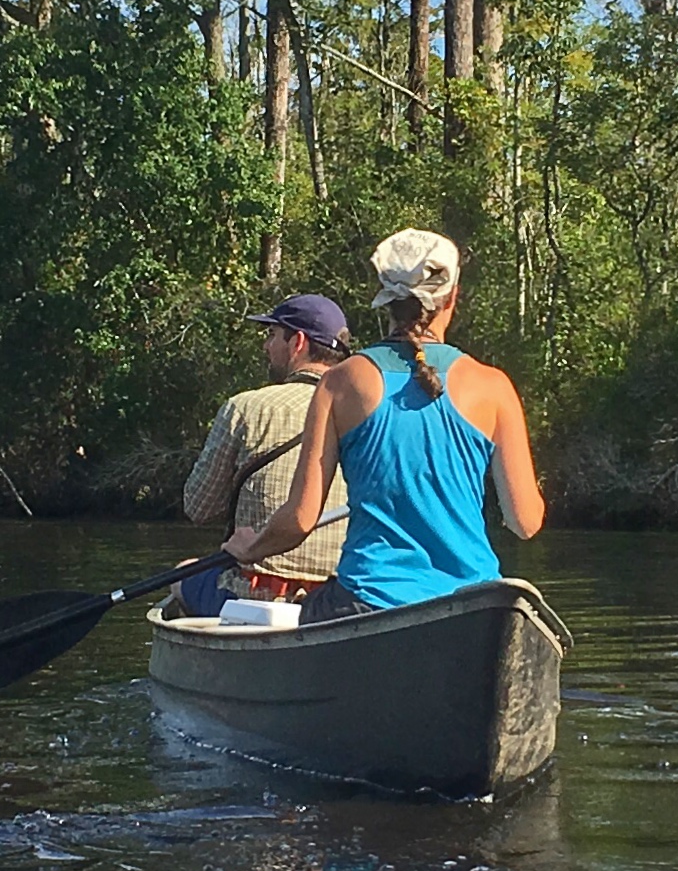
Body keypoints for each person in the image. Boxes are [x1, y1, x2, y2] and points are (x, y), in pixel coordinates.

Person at [210, 228, 544, 622]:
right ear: (453, 296)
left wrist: (251, 547)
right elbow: (525, 522)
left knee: (229, 598)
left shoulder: (340, 382)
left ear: (385, 298)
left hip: (366, 600)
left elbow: (299, 520)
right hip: (472, 605)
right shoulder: (494, 386)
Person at [173, 293, 353, 619]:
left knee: (183, 573)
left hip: (259, 593)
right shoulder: (363, 413)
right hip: (338, 596)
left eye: (272, 335)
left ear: (297, 342)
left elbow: (198, 508)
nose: (266, 347)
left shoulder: (245, 407)